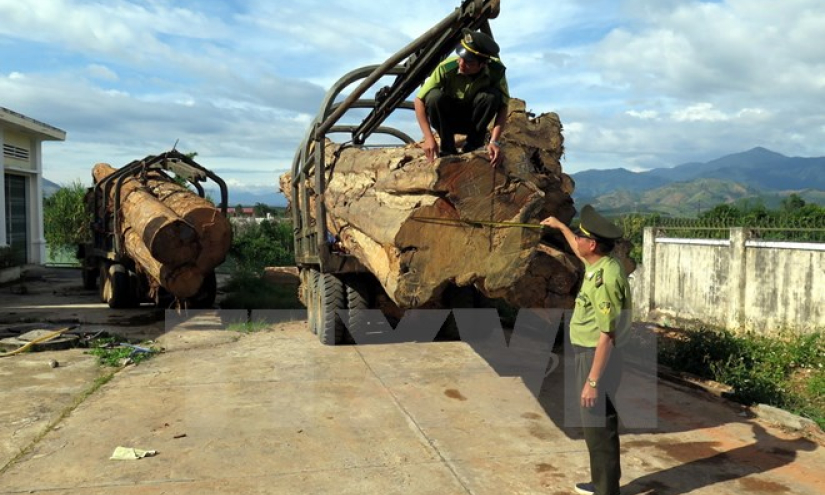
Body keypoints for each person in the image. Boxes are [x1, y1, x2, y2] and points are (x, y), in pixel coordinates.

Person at [540, 205, 632, 495]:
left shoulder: (605, 281)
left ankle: (606, 490)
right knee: (599, 421)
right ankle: (603, 481)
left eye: (581, 236)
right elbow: (578, 250)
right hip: (593, 352)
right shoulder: (602, 263)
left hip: (596, 355)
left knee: (596, 423)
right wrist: (561, 227)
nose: (577, 241)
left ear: (592, 244)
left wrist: (592, 382)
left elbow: (607, 335)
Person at [414, 28, 510, 167]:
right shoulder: (446, 68)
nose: (461, 64)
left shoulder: (496, 71)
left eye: (469, 63)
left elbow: (503, 106)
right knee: (434, 97)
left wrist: (494, 141)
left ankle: (473, 148)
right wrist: (429, 138)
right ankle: (447, 150)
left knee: (492, 96)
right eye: (461, 58)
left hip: (474, 121)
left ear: (483, 64)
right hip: (448, 121)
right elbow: (419, 100)